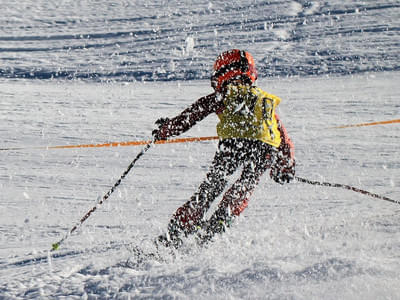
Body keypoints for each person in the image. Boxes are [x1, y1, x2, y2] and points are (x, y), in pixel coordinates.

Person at [152, 49, 295, 248]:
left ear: (223, 72)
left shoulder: (223, 96)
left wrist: (166, 130)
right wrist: (285, 163)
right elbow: (282, 136)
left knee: (210, 189)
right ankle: (220, 222)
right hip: (266, 149)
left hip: (233, 145)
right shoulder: (265, 99)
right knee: (244, 186)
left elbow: (193, 114)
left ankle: (177, 232)